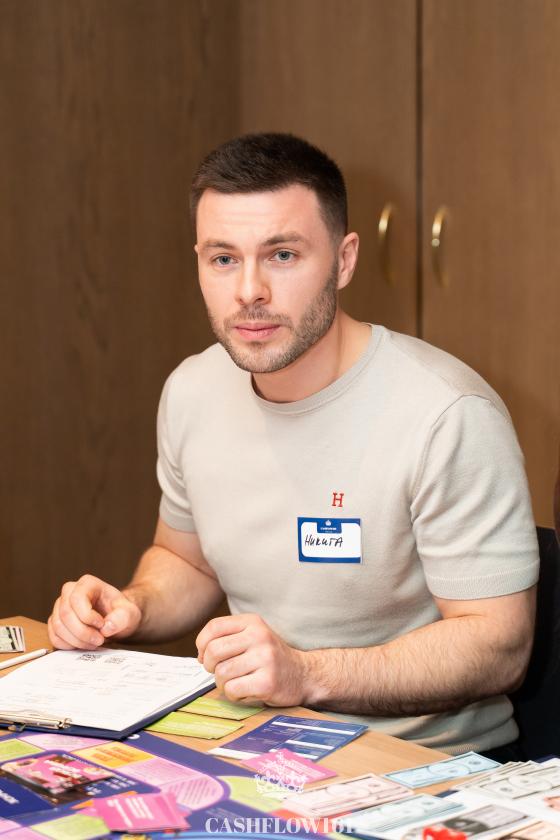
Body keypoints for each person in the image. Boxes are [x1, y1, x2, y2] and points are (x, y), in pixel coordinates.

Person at [48, 133, 539, 755]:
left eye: (282, 255)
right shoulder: (192, 390)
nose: (249, 290)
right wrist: (131, 608)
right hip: (254, 743)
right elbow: (189, 561)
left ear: (344, 260)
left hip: (421, 760)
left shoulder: (447, 414)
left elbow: (499, 646)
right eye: (223, 259)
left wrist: (307, 673)